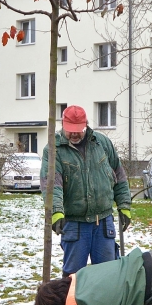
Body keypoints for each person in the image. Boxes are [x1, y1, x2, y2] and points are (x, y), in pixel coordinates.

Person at [40, 105, 132, 275]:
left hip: (103, 223)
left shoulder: (102, 143)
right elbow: (52, 185)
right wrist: (56, 212)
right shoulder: (54, 150)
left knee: (108, 275)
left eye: (78, 130)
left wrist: (124, 205)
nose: (74, 134)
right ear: (63, 125)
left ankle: (106, 302)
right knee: (73, 279)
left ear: (86, 125)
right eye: (70, 130)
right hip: (75, 225)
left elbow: (119, 175)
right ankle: (73, 303)